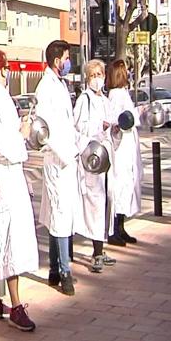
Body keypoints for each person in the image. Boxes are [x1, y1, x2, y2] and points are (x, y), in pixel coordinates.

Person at [0, 49, 38, 331]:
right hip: (3, 179)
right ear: (5, 71)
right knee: (8, 241)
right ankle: (14, 305)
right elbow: (2, 144)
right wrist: (22, 136)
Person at [34, 40, 82, 296]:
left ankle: (54, 267)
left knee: (58, 214)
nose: (68, 62)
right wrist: (64, 154)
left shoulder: (60, 85)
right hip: (57, 159)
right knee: (59, 214)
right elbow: (43, 129)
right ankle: (64, 271)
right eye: (66, 58)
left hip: (66, 158)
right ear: (56, 61)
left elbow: (67, 123)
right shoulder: (45, 88)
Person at [73, 59, 118, 272]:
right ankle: (96, 252)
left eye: (100, 74)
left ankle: (101, 247)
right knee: (95, 205)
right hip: (93, 158)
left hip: (107, 157)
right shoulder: (85, 100)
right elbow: (79, 127)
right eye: (93, 75)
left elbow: (112, 127)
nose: (97, 79)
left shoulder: (105, 100)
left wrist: (115, 130)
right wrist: (98, 126)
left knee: (106, 202)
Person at [106, 59, 142, 246]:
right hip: (120, 149)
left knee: (127, 186)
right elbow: (115, 120)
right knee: (119, 188)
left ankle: (121, 226)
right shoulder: (115, 95)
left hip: (128, 147)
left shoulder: (123, 94)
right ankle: (114, 230)